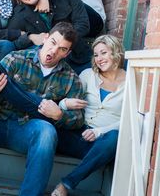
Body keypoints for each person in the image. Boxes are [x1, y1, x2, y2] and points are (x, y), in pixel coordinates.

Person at [0, 23, 85, 196]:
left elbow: (78, 119)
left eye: (62, 49)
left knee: (47, 131)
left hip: (25, 132)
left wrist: (60, 114)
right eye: (53, 42)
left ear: (67, 53)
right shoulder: (16, 58)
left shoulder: (71, 79)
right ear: (46, 37)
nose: (54, 51)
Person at [51, 34, 126, 196]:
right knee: (48, 128)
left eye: (104, 53)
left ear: (115, 52)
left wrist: (99, 132)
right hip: (76, 133)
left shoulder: (132, 81)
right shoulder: (87, 75)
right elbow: (64, 101)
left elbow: (133, 119)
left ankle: (67, 183)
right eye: (96, 54)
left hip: (101, 142)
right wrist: (65, 104)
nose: (99, 58)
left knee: (113, 138)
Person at [8, 0, 92, 73]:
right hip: (48, 69)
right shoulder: (21, 14)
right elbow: (12, 43)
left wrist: (63, 42)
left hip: (78, 57)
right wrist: (29, 37)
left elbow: (83, 24)